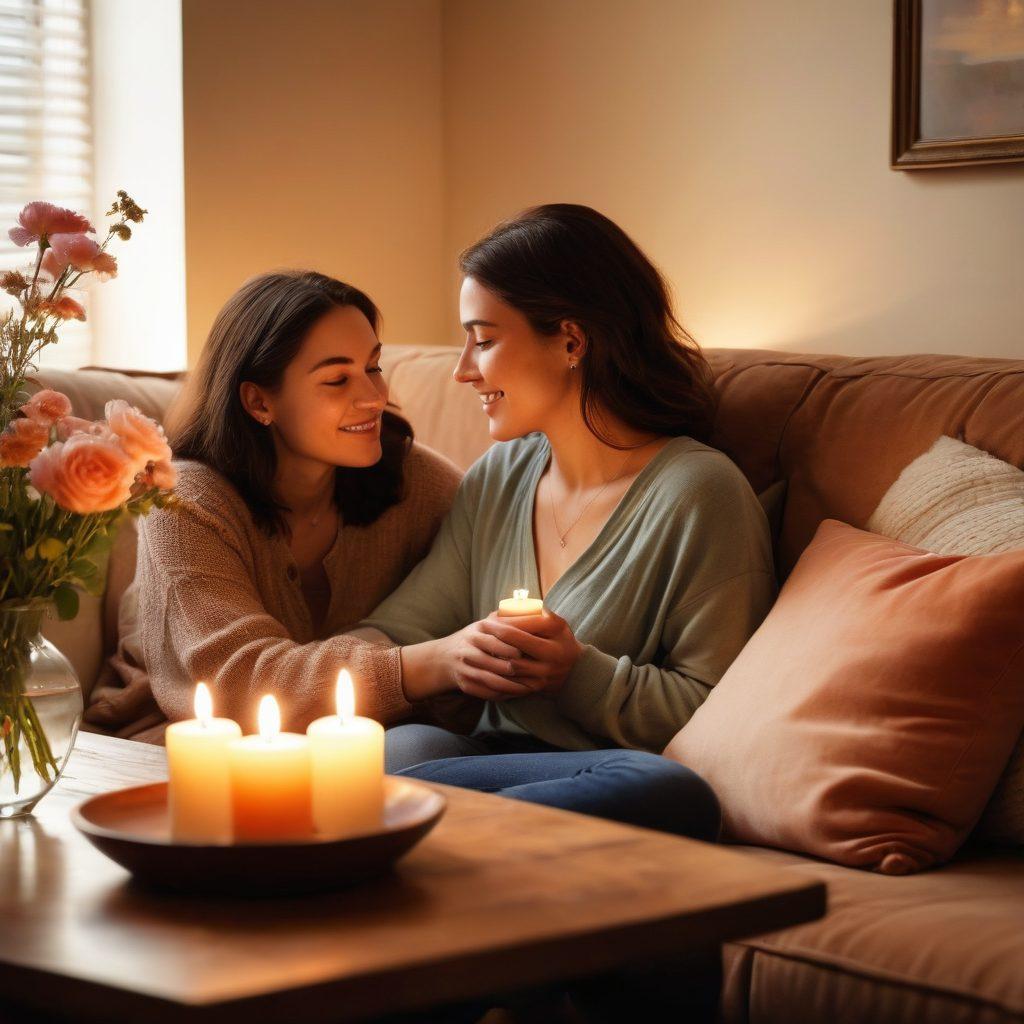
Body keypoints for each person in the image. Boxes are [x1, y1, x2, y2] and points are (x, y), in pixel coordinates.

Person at [354, 204, 777, 840]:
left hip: (601, 776)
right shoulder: (500, 476)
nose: (463, 369)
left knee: (669, 792)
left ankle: (410, 828)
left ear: (572, 342)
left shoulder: (699, 492)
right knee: (397, 747)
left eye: (485, 339)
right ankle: (435, 830)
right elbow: (393, 632)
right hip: (484, 767)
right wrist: (448, 659)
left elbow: (716, 709)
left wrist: (576, 673)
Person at [85, 270, 473, 739]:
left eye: (373, 367)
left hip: (358, 744)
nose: (374, 398)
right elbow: (237, 686)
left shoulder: (414, 480)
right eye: (336, 379)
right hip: (176, 747)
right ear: (258, 401)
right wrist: (431, 663)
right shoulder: (184, 502)